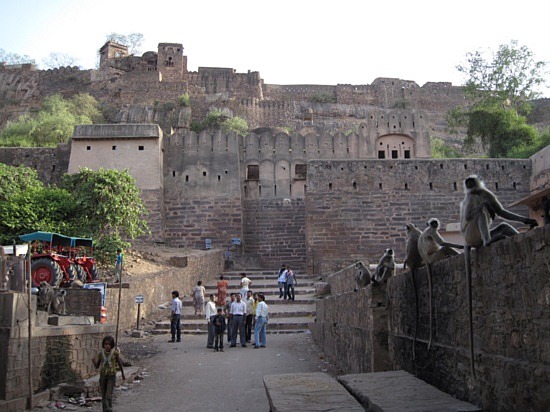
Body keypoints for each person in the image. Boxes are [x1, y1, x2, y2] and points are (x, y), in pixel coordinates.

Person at [92, 335, 125, 412]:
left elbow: (120, 364)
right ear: (103, 345)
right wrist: (93, 361)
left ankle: (109, 409)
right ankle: (105, 410)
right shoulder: (101, 354)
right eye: (106, 344)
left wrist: (123, 374)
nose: (107, 346)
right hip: (103, 376)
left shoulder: (115, 354)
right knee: (103, 396)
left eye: (109, 344)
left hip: (111, 376)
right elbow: (97, 366)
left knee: (108, 395)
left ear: (112, 345)